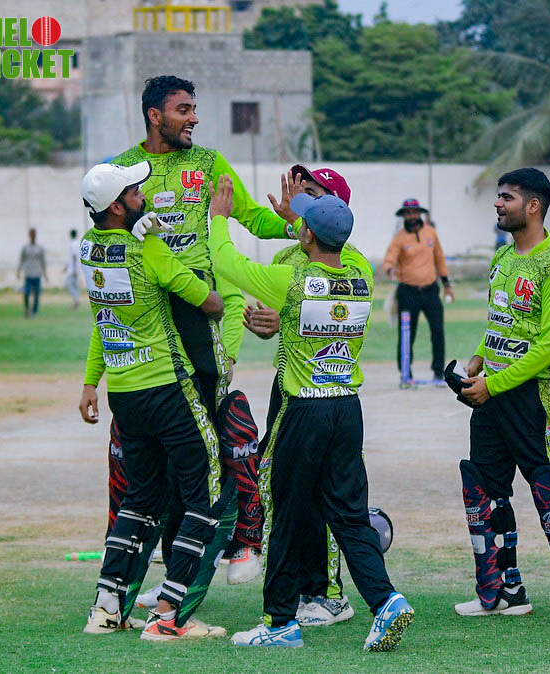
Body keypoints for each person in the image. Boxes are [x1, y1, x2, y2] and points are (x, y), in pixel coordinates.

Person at [108, 75, 299, 608]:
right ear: (154, 115)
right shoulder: (124, 171)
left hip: (200, 313)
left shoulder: (211, 163)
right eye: (183, 109)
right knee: (158, 456)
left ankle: (238, 545)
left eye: (194, 108)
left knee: (208, 446)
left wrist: (298, 222)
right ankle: (167, 574)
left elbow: (252, 218)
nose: (194, 118)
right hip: (147, 322)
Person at [209, 177, 414, 651]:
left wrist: (219, 219)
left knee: (283, 511)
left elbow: (226, 262)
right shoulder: (361, 274)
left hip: (303, 410)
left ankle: (280, 622)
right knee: (349, 515)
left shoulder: (290, 281)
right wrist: (300, 222)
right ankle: (386, 600)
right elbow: (336, 242)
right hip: (348, 408)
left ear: (305, 236)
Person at [77, 161, 227, 641]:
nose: (143, 195)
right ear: (117, 207)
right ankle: (168, 615)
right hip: (168, 387)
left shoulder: (88, 249)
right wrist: (160, 242)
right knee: (207, 492)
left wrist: (90, 383)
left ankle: (106, 609)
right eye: (134, 192)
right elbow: (210, 302)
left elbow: (105, 319)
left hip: (124, 395)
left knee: (140, 498)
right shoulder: (148, 249)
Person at [452, 168, 550, 622]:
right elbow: (500, 323)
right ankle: (502, 592)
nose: (497, 204)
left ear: (533, 205)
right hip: (491, 394)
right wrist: (477, 361)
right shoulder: (503, 258)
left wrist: (493, 384)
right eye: (498, 197)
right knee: (484, 488)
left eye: (507, 197)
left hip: (535, 397)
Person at [244, 164, 360, 628]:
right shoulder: (285, 258)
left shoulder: (351, 262)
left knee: (325, 492)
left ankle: (327, 592)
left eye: (310, 192)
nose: (297, 196)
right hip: (288, 386)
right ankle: (297, 589)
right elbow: (279, 322)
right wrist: (267, 325)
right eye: (298, 188)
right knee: (284, 487)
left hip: (324, 392)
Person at [382, 198, 453, 383]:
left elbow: (439, 258)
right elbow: (390, 258)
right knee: (407, 333)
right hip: (408, 292)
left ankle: (438, 371)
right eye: (408, 213)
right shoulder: (399, 238)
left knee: (437, 331)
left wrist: (446, 284)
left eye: (414, 212)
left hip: (430, 290)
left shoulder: (431, 233)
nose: (412, 216)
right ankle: (405, 372)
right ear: (404, 216)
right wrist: (389, 268)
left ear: (419, 213)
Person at [18, 228, 46, 317]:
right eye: (31, 234)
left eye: (34, 234)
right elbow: (21, 260)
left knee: (36, 294)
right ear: (29, 235)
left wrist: (45, 274)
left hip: (37, 274)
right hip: (28, 274)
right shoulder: (25, 248)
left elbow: (43, 261)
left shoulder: (39, 248)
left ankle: (34, 311)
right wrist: (18, 270)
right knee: (26, 293)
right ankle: (27, 309)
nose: (33, 236)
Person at [65, 229, 81, 309]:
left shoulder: (73, 244)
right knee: (75, 286)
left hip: (73, 270)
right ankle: (76, 301)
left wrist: (74, 269)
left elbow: (74, 257)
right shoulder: (77, 243)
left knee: (68, 284)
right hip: (75, 268)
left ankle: (76, 301)